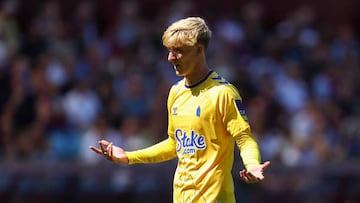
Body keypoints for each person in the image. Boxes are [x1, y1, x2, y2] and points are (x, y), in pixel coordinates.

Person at [90, 16, 270, 203]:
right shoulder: (176, 92)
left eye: (178, 51)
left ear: (199, 50)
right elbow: (174, 144)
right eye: (169, 51)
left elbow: (244, 138)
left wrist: (252, 164)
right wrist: (128, 156)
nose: (170, 57)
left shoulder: (223, 93)